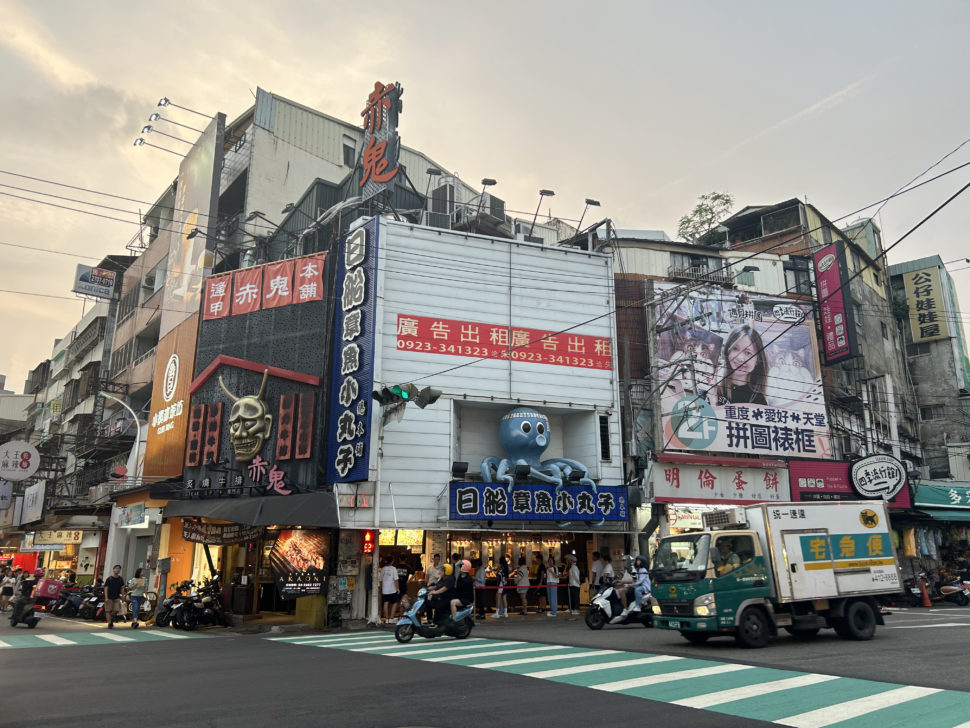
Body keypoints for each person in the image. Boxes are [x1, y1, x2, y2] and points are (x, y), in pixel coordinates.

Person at [717, 325, 768, 405]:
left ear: (757, 360)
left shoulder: (758, 400)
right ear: (727, 351)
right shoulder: (715, 384)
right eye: (735, 348)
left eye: (748, 353)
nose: (740, 358)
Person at [612, 555, 651, 623]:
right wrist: (619, 581)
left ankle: (627, 608)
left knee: (624, 591)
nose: (623, 563)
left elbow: (636, 580)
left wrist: (627, 584)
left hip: (642, 587)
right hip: (634, 586)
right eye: (623, 561)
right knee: (619, 592)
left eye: (625, 561)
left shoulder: (637, 570)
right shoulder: (632, 570)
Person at [378, 557, 399, 624]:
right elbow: (396, 580)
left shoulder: (383, 569)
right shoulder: (394, 569)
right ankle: (391, 618)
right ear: (392, 561)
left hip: (385, 589)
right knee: (395, 602)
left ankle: (387, 619)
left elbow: (380, 580)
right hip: (392, 589)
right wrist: (397, 588)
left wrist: (381, 587)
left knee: (385, 603)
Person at [104, 565, 125, 629]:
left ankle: (111, 618)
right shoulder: (109, 579)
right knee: (108, 610)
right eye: (116, 568)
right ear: (113, 570)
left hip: (117, 597)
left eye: (119, 569)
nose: (118, 570)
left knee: (116, 610)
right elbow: (106, 588)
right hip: (109, 597)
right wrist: (106, 597)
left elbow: (122, 588)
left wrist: (123, 596)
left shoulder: (120, 579)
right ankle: (110, 623)